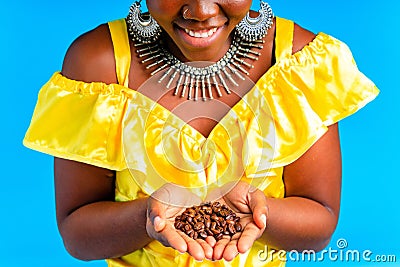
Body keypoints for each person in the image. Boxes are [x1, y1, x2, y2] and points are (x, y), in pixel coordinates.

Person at [23, 0, 379, 266]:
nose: (202, 10)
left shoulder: (297, 62)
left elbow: (320, 224)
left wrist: (262, 211)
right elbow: (77, 235)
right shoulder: (98, 63)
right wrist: (148, 218)